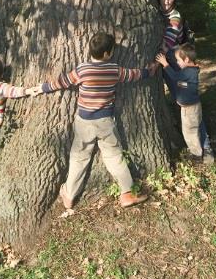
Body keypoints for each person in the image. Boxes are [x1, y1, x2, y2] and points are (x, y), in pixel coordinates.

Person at [33, 31, 157, 209]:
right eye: (112, 50)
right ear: (107, 54)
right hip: (105, 121)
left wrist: (44, 87)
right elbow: (134, 74)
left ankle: (69, 194)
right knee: (114, 156)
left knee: (79, 157)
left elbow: (63, 81)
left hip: (84, 121)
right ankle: (127, 193)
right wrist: (148, 72)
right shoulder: (114, 70)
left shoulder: (83, 69)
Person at [156, 43, 214, 165]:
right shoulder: (191, 71)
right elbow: (185, 84)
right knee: (193, 129)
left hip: (190, 109)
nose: (177, 63)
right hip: (191, 107)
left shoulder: (188, 72)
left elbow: (175, 76)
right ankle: (198, 151)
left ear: (187, 59)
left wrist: (165, 63)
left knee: (190, 132)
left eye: (178, 60)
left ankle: (196, 155)